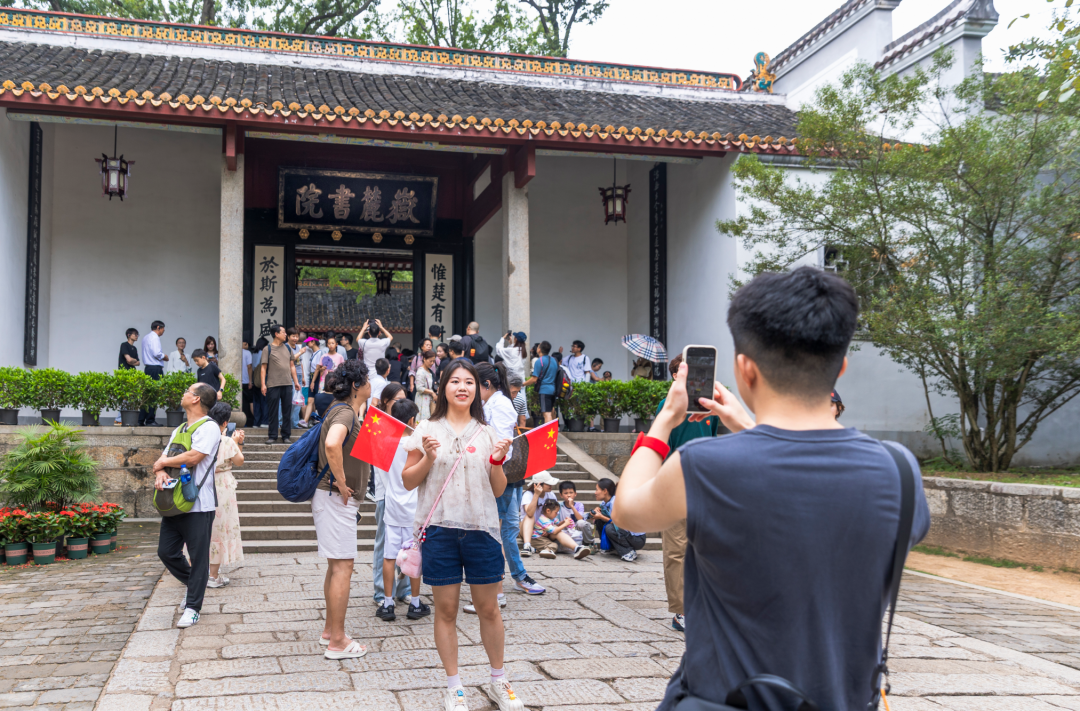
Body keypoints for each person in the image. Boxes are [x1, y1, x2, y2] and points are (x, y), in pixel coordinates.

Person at [612, 266, 931, 711]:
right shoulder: (899, 472)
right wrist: (746, 424)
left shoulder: (705, 467)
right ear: (840, 367)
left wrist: (665, 418)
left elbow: (626, 510)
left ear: (744, 369)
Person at [399, 360, 523, 711]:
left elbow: (497, 490)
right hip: (439, 530)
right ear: (443, 387)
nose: (462, 387)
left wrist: (496, 461)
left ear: (478, 390)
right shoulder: (426, 429)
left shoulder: (487, 433)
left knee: (489, 609)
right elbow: (407, 480)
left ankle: (499, 680)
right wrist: (428, 457)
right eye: (455, 381)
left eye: (469, 382)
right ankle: (454, 687)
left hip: (481, 529)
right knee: (446, 610)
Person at [654, 353, 721, 633]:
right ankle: (681, 610)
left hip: (704, 483)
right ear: (675, 376)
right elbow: (660, 444)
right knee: (676, 550)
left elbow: (713, 441)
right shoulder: (667, 405)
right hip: (674, 483)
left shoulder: (709, 408)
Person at [474, 363, 546, 609]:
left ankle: (499, 587)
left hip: (501, 472)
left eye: (473, 383)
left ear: (486, 384)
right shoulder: (491, 403)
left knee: (500, 528)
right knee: (502, 528)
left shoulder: (500, 404)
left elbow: (501, 445)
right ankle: (509, 580)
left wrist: (492, 468)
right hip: (498, 472)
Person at [314, 360, 371, 660]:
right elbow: (333, 444)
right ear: (357, 385)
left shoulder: (341, 410)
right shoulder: (346, 412)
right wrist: (342, 481)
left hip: (332, 498)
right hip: (336, 498)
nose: (371, 385)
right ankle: (338, 641)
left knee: (336, 566)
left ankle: (329, 630)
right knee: (342, 568)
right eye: (367, 380)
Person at [152, 382, 220, 628]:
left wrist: (163, 463)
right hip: (174, 500)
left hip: (199, 503)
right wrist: (160, 471)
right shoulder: (180, 428)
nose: (183, 394)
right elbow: (163, 458)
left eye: (187, 391)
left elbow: (194, 457)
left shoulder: (210, 427)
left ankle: (193, 607)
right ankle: (195, 585)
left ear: (196, 399)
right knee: (166, 552)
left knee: (198, 557)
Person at [376, 399, 432, 621]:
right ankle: (415, 603)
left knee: (389, 556)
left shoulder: (385, 442)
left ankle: (388, 603)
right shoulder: (416, 444)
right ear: (411, 420)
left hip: (392, 505)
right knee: (414, 554)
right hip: (413, 507)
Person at [207, 402, 244, 588]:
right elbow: (239, 461)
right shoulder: (226, 441)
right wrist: (238, 442)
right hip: (222, 485)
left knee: (204, 528)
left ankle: (198, 572)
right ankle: (213, 576)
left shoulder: (203, 437)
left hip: (205, 483)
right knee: (220, 528)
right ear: (225, 422)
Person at [260, 324, 301, 445]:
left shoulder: (288, 348)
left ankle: (286, 435)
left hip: (287, 383)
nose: (286, 335)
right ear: (276, 334)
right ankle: (272, 436)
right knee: (273, 411)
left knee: (287, 411)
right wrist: (263, 384)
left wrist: (296, 382)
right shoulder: (268, 349)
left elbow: (292, 366)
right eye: (283, 332)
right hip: (273, 384)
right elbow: (263, 368)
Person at [598, 480, 646, 562]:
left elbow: (618, 523)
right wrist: (599, 511)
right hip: (628, 534)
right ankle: (611, 548)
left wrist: (601, 516)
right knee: (600, 521)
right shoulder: (613, 501)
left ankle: (628, 551)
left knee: (610, 528)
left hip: (637, 538)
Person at [519, 472, 559, 556]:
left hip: (543, 528)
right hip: (527, 529)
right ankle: (527, 546)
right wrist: (536, 495)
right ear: (539, 484)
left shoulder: (551, 495)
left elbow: (554, 515)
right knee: (530, 517)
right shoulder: (528, 494)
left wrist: (547, 529)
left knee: (558, 532)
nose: (551, 485)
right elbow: (529, 513)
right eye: (548, 483)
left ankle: (576, 547)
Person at [140, 320, 168, 426]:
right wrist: (165, 356)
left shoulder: (145, 337)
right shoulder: (155, 337)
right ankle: (150, 420)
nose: (163, 331)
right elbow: (157, 353)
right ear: (158, 327)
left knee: (147, 395)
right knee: (154, 395)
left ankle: (141, 419)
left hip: (148, 368)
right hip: (155, 368)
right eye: (163, 329)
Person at [555, 481, 594, 552]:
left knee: (581, 523)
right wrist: (565, 522)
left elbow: (580, 518)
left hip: (577, 529)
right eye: (565, 493)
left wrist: (572, 506)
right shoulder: (559, 506)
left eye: (571, 492)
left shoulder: (579, 505)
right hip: (564, 530)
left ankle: (589, 544)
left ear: (575, 494)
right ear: (561, 495)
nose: (569, 495)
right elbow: (556, 523)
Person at [524, 341, 558, 423]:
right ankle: (555, 429)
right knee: (552, 410)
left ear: (539, 350)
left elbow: (534, 379)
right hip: (554, 389)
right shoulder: (554, 360)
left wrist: (523, 384)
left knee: (547, 414)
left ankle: (548, 431)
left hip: (544, 390)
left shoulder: (539, 361)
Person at [414, 350, 437, 421]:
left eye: (433, 361)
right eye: (430, 361)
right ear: (424, 359)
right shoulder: (421, 371)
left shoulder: (429, 371)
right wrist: (432, 392)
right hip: (422, 399)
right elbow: (419, 388)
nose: (432, 363)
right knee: (423, 420)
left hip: (428, 399)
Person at [250, 338, 268, 428]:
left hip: (255, 379)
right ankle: (264, 421)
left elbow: (252, 367)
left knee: (256, 402)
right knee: (264, 401)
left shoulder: (253, 353)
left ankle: (256, 422)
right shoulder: (263, 353)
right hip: (262, 379)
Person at [241, 340, 254, 427]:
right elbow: (249, 367)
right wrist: (250, 380)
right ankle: (248, 422)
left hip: (238, 381)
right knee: (248, 403)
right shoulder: (247, 353)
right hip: (245, 380)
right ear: (245, 343)